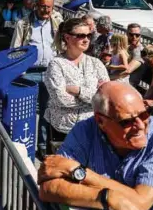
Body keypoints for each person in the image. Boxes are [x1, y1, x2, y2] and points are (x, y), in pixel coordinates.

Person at [38, 82, 153, 210]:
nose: (140, 125)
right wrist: (108, 198)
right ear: (100, 121)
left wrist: (81, 173)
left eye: (145, 114)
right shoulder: (85, 131)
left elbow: (140, 202)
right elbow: (48, 188)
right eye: (126, 121)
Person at [10, 0, 63, 158]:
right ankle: (23, 146)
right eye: (42, 6)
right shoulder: (24, 24)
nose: (46, 10)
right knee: (26, 111)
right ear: (35, 5)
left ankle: (42, 147)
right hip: (28, 73)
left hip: (50, 72)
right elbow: (14, 50)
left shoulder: (57, 22)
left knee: (47, 111)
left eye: (49, 6)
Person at [43, 17, 109, 147]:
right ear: (67, 38)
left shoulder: (96, 63)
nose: (86, 39)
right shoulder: (56, 64)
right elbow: (60, 99)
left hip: (92, 128)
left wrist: (77, 91)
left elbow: (106, 97)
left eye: (89, 35)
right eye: (81, 36)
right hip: (63, 129)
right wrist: (92, 100)